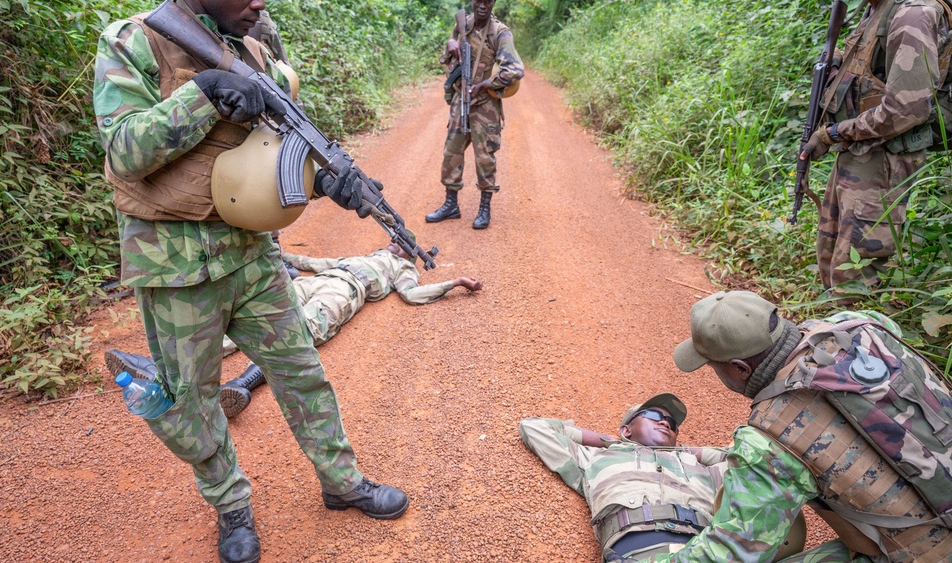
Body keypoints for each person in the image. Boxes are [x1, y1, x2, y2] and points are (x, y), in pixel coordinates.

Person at [93, 0, 407, 563]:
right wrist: (203, 92)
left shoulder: (256, 52)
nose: (259, 1)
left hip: (253, 256)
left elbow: (271, 157)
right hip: (174, 265)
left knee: (301, 372)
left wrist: (327, 184)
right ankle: (232, 506)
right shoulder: (131, 44)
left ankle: (342, 482)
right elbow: (125, 152)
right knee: (192, 403)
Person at [659, 289, 952, 563]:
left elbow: (732, 551)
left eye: (713, 366)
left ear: (739, 368)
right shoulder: (860, 325)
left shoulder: (771, 439)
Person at [106, 240, 482, 417]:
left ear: (409, 253)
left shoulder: (402, 270)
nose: (396, 243)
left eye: (404, 243)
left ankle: (239, 386)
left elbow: (413, 295)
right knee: (245, 321)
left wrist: (454, 284)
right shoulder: (363, 255)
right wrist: (274, 254)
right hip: (319, 280)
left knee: (297, 333)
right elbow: (316, 262)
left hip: (343, 292)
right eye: (395, 238)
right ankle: (169, 362)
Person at [800, 0, 951, 291]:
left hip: (884, 159)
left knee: (857, 274)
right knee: (830, 255)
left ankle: (859, 347)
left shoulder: (911, 15)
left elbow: (907, 107)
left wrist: (835, 132)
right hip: (860, 150)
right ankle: (831, 341)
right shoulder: (878, 7)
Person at [520, 394, 731, 561]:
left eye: (672, 424)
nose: (666, 423)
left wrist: (689, 452)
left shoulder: (702, 469)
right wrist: (604, 440)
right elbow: (534, 428)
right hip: (639, 553)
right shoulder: (597, 458)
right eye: (655, 416)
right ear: (627, 429)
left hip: (708, 551)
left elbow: (754, 458)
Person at [425, 0, 524, 230]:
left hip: (485, 104)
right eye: (477, 0)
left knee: (485, 156)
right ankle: (451, 204)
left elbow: (515, 69)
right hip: (461, 99)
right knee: (451, 151)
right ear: (471, 0)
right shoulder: (463, 24)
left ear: (493, 3)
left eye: (487, 1)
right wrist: (450, 44)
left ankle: (484, 207)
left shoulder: (500, 33)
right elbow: (448, 57)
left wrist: (486, 84)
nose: (482, 5)